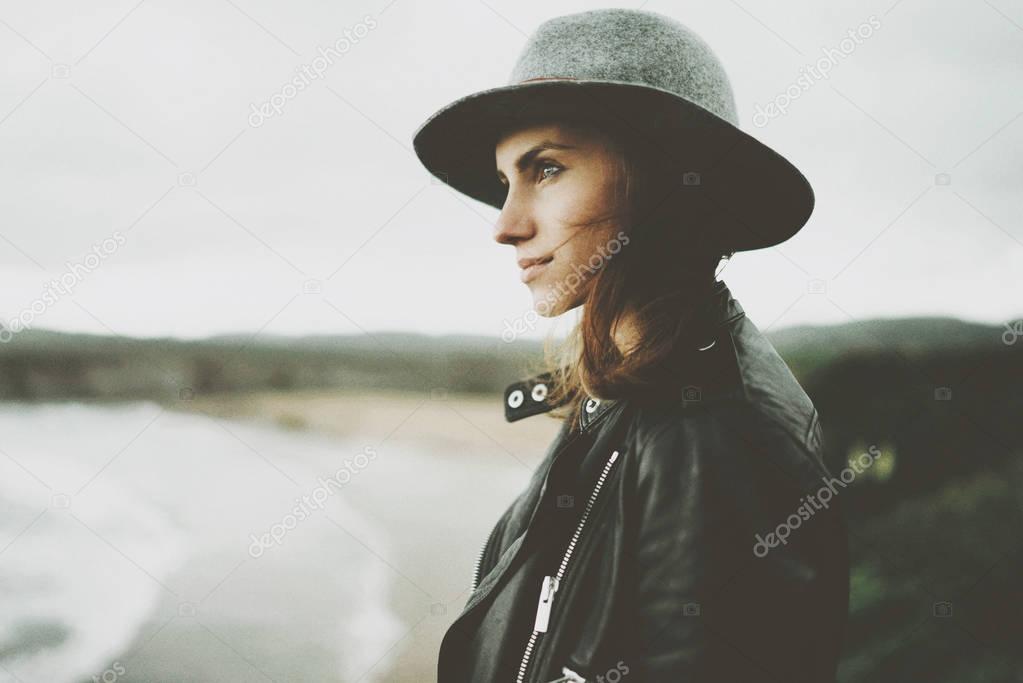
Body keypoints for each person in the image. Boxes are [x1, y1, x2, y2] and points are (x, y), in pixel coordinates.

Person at [413, 8, 849, 682]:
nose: (504, 224)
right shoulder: (618, 388)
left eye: (547, 169)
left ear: (665, 180)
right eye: (506, 183)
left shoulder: (720, 433)